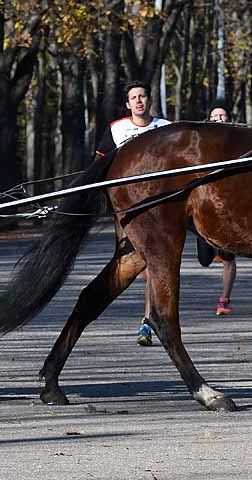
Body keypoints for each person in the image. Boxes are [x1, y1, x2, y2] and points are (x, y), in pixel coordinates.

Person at [93, 81, 170, 346]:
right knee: (143, 266)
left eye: (143, 96)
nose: (138, 101)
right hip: (127, 208)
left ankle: (148, 322)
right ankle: (151, 320)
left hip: (160, 208)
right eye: (133, 97)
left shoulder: (166, 128)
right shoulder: (116, 129)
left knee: (151, 266)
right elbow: (100, 165)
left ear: (149, 100)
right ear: (128, 104)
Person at [192, 100, 238, 316]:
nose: (219, 119)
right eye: (215, 116)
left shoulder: (237, 143)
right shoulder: (202, 144)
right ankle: (214, 250)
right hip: (204, 208)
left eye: (223, 115)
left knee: (228, 258)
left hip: (228, 210)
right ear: (209, 121)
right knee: (204, 260)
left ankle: (224, 300)